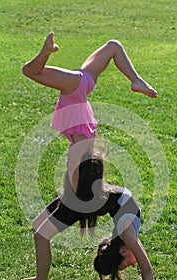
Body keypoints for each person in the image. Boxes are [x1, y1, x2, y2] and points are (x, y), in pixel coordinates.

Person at [22, 32, 157, 192]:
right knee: (30, 71)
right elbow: (75, 185)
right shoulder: (80, 148)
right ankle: (135, 81)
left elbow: (77, 180)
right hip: (75, 88)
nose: (67, 160)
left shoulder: (84, 142)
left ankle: (136, 80)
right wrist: (77, 191)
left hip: (84, 85)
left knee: (113, 46)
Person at [18, 152, 155, 280]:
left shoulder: (124, 237)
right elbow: (146, 269)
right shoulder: (128, 236)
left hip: (97, 197)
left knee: (39, 231)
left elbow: (141, 265)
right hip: (96, 198)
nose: (133, 264)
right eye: (126, 265)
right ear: (123, 251)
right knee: (39, 230)